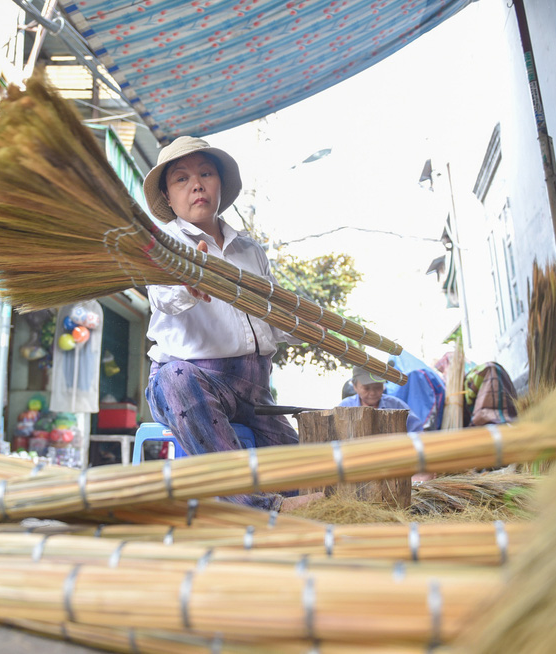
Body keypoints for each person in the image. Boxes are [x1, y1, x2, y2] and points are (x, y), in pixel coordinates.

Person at [142, 136, 300, 512]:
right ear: (167, 195)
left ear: (219, 184)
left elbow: (271, 320)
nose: (196, 184)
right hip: (193, 383)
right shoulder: (162, 245)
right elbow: (162, 297)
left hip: (254, 389)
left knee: (303, 473)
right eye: (181, 178)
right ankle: (255, 508)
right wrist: (188, 284)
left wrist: (304, 325)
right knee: (176, 378)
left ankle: (300, 507)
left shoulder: (250, 251)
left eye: (205, 173)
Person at [338, 366, 425, 433]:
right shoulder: (344, 408)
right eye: (366, 388)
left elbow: (417, 431)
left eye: (378, 387)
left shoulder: (397, 406)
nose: (372, 393)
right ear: (355, 386)